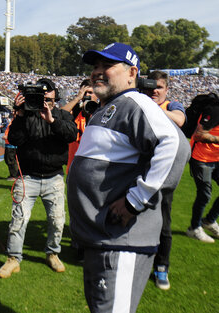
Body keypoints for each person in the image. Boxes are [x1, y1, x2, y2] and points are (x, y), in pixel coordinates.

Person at [67, 43, 190, 312]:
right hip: (101, 239)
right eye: (95, 66)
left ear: (131, 73)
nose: (97, 72)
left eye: (107, 66)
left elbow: (175, 145)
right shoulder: (108, 107)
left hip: (121, 241)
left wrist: (136, 200)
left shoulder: (135, 103)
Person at [0, 78, 78, 278]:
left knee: (57, 221)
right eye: (41, 96)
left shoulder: (62, 115)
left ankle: (52, 253)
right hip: (28, 177)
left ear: (54, 97)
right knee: (18, 220)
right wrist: (21, 114)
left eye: (48, 96)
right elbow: (13, 139)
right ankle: (13, 259)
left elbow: (71, 135)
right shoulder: (26, 116)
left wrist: (52, 120)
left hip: (54, 177)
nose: (45, 100)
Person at [142, 70, 186, 290]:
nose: (154, 91)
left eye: (158, 87)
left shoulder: (171, 106)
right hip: (138, 174)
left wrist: (150, 107)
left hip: (163, 177)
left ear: (167, 90)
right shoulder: (140, 103)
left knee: (164, 225)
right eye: (150, 87)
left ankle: (161, 268)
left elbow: (180, 120)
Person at [186, 93, 219, 244]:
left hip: (216, 158)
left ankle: (210, 221)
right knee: (205, 194)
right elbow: (199, 135)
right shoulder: (215, 111)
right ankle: (194, 228)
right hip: (202, 158)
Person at [62, 79, 98, 174]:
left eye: (90, 92)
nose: (87, 95)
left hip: (94, 162)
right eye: (84, 92)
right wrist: (77, 98)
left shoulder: (101, 111)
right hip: (75, 161)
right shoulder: (76, 110)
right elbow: (59, 115)